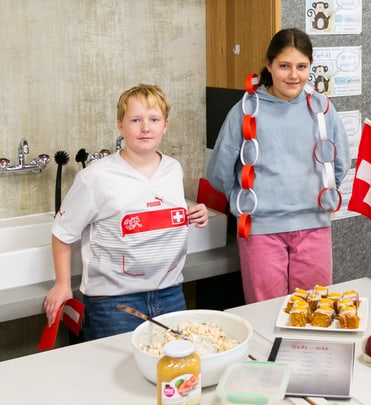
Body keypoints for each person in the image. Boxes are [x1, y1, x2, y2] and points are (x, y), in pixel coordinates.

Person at [43, 84, 209, 340]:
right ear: (120, 126)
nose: (145, 127)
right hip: (113, 303)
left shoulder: (173, 168)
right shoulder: (95, 177)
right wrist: (62, 285)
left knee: (172, 370)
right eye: (135, 120)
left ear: (165, 125)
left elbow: (152, 203)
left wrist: (192, 212)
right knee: (115, 373)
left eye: (153, 119)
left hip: (170, 292)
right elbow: (63, 233)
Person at [207, 28, 350, 303]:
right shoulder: (247, 110)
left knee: (315, 311)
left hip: (314, 228)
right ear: (268, 64)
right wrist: (244, 201)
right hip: (260, 230)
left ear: (310, 66)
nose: (293, 75)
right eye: (284, 66)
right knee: (266, 313)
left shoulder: (321, 109)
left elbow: (339, 163)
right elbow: (220, 171)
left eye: (301, 66)